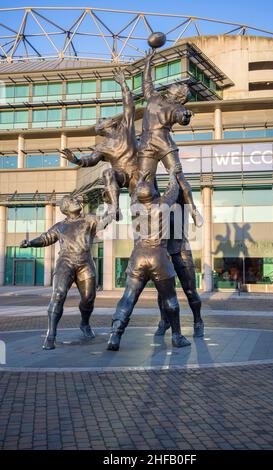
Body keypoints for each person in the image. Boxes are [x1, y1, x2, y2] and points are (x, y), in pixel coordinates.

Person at [107, 171, 191, 351]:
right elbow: (173, 190)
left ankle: (115, 334)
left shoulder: (134, 207)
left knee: (128, 298)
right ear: (154, 194)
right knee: (170, 298)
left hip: (137, 256)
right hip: (158, 256)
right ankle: (176, 335)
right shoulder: (162, 205)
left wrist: (141, 182)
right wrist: (171, 175)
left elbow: (137, 192)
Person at [20, 195, 112, 350]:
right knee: (58, 295)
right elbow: (45, 238)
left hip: (85, 263)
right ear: (65, 208)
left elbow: (102, 223)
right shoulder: (60, 226)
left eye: (75, 200)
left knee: (88, 299)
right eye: (71, 200)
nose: (76, 201)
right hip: (65, 263)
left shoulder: (89, 219)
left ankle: (84, 323)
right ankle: (51, 335)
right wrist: (30, 243)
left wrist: (112, 212)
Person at [61, 68, 139, 221]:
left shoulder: (126, 128)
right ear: (103, 128)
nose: (107, 117)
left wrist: (123, 84)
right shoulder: (102, 147)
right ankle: (115, 208)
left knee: (142, 202)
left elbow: (129, 107)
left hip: (138, 171)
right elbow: (91, 160)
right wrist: (76, 160)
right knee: (107, 173)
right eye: (103, 119)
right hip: (121, 175)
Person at [138, 49, 202, 227]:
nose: (174, 85)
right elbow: (147, 82)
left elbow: (183, 118)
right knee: (143, 182)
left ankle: (194, 211)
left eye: (178, 86)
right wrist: (148, 62)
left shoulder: (177, 108)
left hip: (165, 145)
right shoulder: (154, 96)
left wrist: (186, 115)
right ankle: (146, 221)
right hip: (146, 145)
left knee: (179, 178)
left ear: (180, 96)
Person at [155, 189, 204, 338]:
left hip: (181, 250)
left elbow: (183, 184)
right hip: (165, 252)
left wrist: (175, 173)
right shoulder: (160, 205)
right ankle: (164, 321)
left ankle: (198, 321)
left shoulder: (180, 203)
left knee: (190, 290)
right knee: (162, 293)